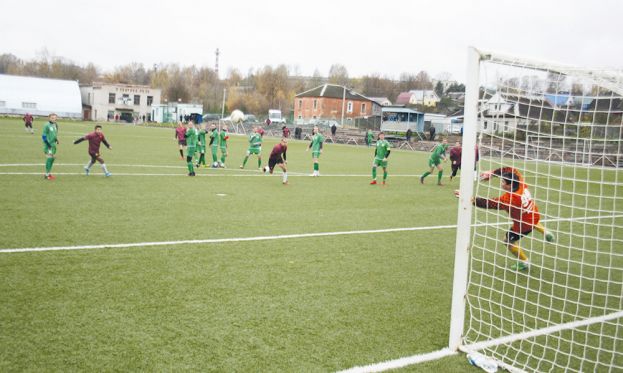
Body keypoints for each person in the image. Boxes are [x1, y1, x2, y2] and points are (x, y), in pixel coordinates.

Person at [456, 167, 555, 271]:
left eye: (503, 182)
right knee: (532, 220)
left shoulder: (511, 199)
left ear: (510, 185)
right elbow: (512, 170)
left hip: (524, 225)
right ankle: (546, 232)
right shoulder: (520, 181)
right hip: (533, 213)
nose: (501, 183)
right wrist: (492, 173)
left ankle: (524, 262)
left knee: (507, 240)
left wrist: (468, 198)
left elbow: (490, 203)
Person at [42, 113, 59, 180]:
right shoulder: (46, 125)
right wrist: (47, 144)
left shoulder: (55, 125)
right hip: (48, 145)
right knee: (49, 158)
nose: (54, 119)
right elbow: (43, 136)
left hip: (53, 145)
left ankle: (48, 173)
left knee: (52, 159)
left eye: (55, 118)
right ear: (49, 118)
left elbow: (54, 134)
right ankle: (47, 175)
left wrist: (56, 139)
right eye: (52, 118)